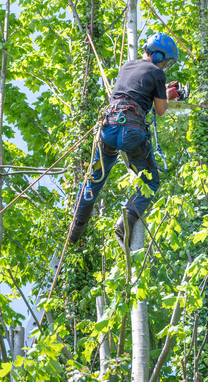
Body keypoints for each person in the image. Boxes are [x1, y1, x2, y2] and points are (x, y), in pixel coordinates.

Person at [69, 32, 181, 246]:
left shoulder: (126, 67)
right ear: (158, 56)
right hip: (131, 131)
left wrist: (162, 92)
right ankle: (125, 222)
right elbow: (160, 111)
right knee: (151, 181)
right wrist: (168, 96)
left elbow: (135, 90)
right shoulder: (157, 73)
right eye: (164, 61)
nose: (164, 66)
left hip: (109, 127)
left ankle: (75, 232)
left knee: (95, 179)